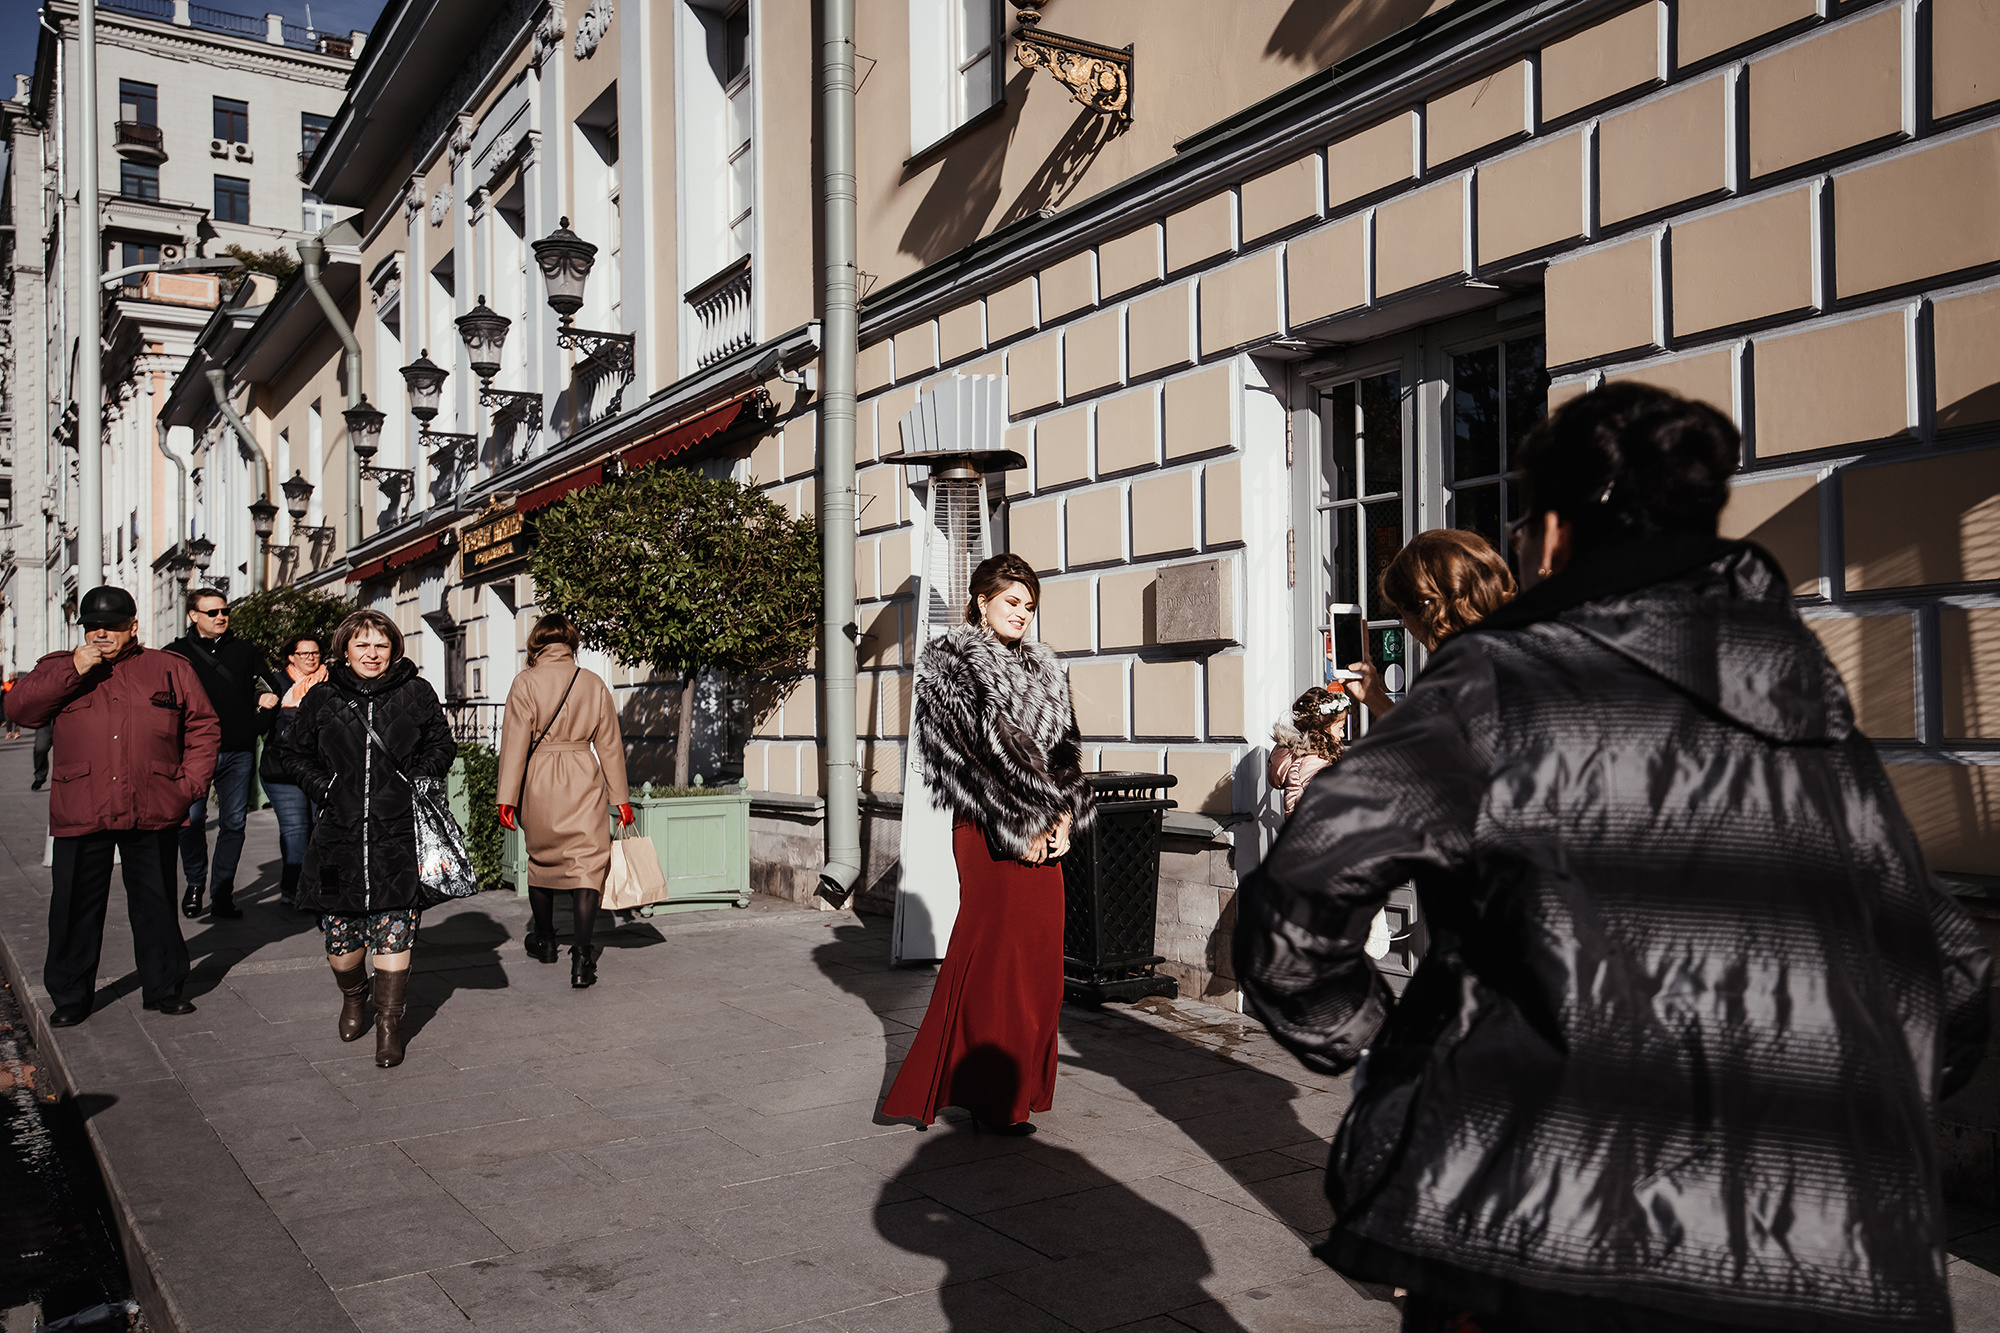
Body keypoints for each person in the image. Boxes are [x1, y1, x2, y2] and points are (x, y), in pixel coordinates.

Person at [1235, 383, 1991, 1333]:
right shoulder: (1801, 694)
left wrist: (1391, 1043)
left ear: (1551, 536)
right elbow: (1953, 969)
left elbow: (1293, 915)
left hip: (1549, 1229)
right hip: (1815, 1250)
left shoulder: (1500, 680)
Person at [880, 552, 1094, 1134]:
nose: (1022, 613)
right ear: (981, 600)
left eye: (1029, 605)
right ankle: (992, 1097)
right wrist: (1017, 826)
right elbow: (959, 765)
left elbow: (1067, 754)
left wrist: (1065, 818)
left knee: (1042, 966)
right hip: (987, 830)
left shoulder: (1048, 669)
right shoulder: (950, 666)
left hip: (1042, 828)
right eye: (1011, 602)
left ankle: (1013, 1086)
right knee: (996, 963)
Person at [6, 586, 220, 1026]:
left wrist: (191, 785)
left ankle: (164, 987)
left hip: (153, 800)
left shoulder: (169, 668)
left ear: (133, 627)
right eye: (92, 626)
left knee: (156, 901)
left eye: (113, 625)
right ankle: (70, 995)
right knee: (73, 906)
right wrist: (73, 669)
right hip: (83, 805)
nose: (101, 632)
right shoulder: (60, 666)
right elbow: (19, 709)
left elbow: (203, 725)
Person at [282, 609, 455, 1068]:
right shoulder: (321, 698)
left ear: (393, 649)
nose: (372, 654)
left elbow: (442, 743)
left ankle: (388, 1025)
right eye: (362, 645)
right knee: (341, 943)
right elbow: (293, 755)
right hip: (337, 838)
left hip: (397, 834)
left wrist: (418, 775)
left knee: (394, 933)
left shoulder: (415, 692)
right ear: (344, 651)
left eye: (380, 644)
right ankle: (354, 995)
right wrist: (324, 787)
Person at [496, 614, 633, 989]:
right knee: (588, 864)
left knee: (542, 860)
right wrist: (620, 798)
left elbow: (514, 746)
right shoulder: (592, 682)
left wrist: (506, 798)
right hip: (583, 777)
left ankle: (545, 942)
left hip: (539, 781)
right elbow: (609, 745)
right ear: (572, 642)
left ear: (537, 644)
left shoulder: (524, 683)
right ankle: (583, 957)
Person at [165, 587, 278, 920]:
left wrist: (256, 723)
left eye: (224, 611)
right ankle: (196, 882)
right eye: (212, 612)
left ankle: (222, 892)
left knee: (233, 824)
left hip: (238, 751)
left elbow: (270, 689)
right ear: (194, 616)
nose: (220, 617)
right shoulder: (175, 654)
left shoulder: (244, 651)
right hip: (193, 753)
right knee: (192, 821)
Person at [1339, 528, 1515, 720]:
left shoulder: (1458, 684)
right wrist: (1373, 695)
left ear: (1429, 611)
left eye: (1402, 612)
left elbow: (1423, 743)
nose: (1405, 625)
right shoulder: (1508, 661)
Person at [260, 634, 326, 908]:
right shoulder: (276, 683)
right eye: (304, 653)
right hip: (283, 771)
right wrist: (262, 704)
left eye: (315, 653)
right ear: (291, 657)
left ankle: (318, 886)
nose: (311, 658)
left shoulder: (330, 682)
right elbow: (262, 725)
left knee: (319, 830)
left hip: (319, 768)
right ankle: (294, 889)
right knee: (296, 830)